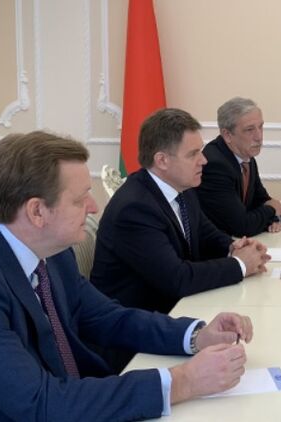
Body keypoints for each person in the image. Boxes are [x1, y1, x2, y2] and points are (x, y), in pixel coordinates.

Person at [0, 131, 254, 421]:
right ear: (37, 212)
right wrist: (183, 382)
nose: (94, 207)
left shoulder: (50, 247)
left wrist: (196, 336)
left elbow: (107, 318)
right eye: (80, 199)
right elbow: (41, 403)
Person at [91, 108, 270, 317]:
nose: (204, 160)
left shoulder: (182, 188)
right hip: (137, 323)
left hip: (175, 309)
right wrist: (240, 265)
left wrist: (234, 247)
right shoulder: (134, 209)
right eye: (193, 154)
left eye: (200, 151)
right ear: (162, 161)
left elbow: (205, 234)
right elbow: (178, 279)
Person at [195, 97, 281, 236]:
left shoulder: (245, 155)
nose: (259, 136)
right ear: (227, 135)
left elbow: (261, 200)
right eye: (249, 129)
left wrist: (275, 218)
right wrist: (273, 210)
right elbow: (242, 227)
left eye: (260, 126)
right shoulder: (215, 165)